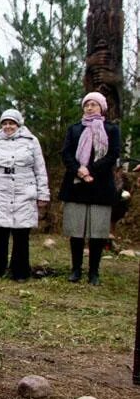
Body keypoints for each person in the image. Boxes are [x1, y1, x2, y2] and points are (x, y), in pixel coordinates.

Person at [0, 109, 49, 281]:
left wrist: (43, 193)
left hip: (24, 188)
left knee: (21, 234)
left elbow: (40, 168)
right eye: (5, 123)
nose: (8, 126)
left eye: (12, 123)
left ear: (18, 124)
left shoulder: (31, 141)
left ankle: (20, 272)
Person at [58, 92, 120, 285]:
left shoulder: (111, 129)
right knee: (76, 231)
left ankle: (94, 272)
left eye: (94, 104)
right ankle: (76, 269)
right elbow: (66, 153)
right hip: (76, 186)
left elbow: (112, 155)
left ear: (102, 107)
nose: (90, 108)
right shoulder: (74, 129)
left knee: (97, 232)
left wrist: (90, 170)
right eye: (87, 104)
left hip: (100, 186)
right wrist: (80, 171)